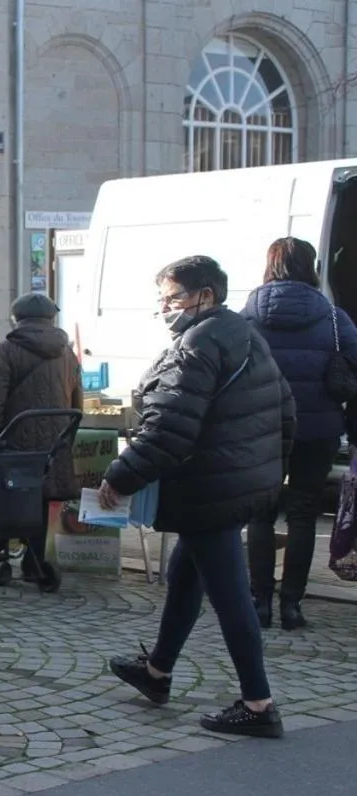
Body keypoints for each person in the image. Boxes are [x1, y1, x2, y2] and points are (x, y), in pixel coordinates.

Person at [101, 255, 293, 738]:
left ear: (204, 295)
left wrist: (120, 476)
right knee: (185, 575)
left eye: (172, 298)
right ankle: (157, 672)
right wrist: (267, 470)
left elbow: (169, 427)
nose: (165, 308)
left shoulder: (198, 343)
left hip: (210, 487)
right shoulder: (244, 335)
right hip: (233, 481)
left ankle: (258, 703)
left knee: (230, 595)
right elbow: (284, 409)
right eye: (161, 300)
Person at [243, 237, 357, 630]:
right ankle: (292, 604)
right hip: (319, 428)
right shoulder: (334, 318)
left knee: (260, 513)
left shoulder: (247, 316)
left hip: (261, 428)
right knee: (304, 512)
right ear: (312, 267)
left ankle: (259, 602)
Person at [0, 293, 81, 588]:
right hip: (55, 440)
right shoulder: (67, 351)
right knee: (42, 497)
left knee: (5, 496)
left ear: (17, 318)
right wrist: (66, 436)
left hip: (16, 439)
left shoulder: (8, 348)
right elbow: (77, 400)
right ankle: (35, 561)